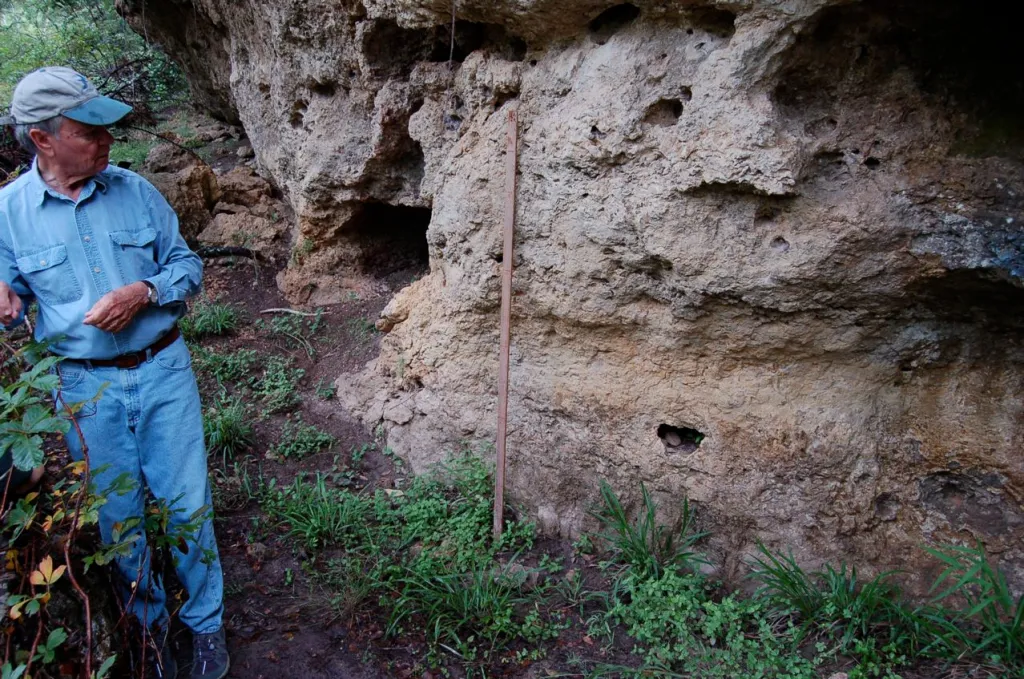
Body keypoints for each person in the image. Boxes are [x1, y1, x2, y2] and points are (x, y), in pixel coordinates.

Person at [0, 67, 229, 679]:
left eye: (106, 128)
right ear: (43, 139)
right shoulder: (8, 215)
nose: (107, 140)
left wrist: (144, 290)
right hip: (83, 387)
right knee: (117, 515)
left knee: (187, 503)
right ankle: (147, 629)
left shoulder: (135, 191)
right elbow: (7, 296)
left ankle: (206, 624)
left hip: (163, 370)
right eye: (88, 130)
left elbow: (186, 266)